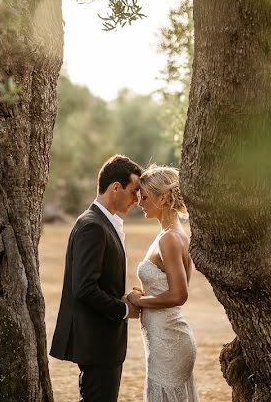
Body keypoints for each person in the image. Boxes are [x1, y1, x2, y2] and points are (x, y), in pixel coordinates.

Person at [50, 154, 143, 402]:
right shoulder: (93, 226)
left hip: (101, 342)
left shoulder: (103, 223)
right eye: (134, 191)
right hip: (97, 342)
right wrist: (123, 308)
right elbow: (84, 288)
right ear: (115, 188)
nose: (137, 199)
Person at [127, 165, 199, 402]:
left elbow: (179, 295)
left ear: (163, 197)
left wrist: (140, 300)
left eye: (144, 197)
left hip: (169, 340)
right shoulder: (170, 233)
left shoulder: (169, 238)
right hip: (162, 337)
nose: (140, 203)